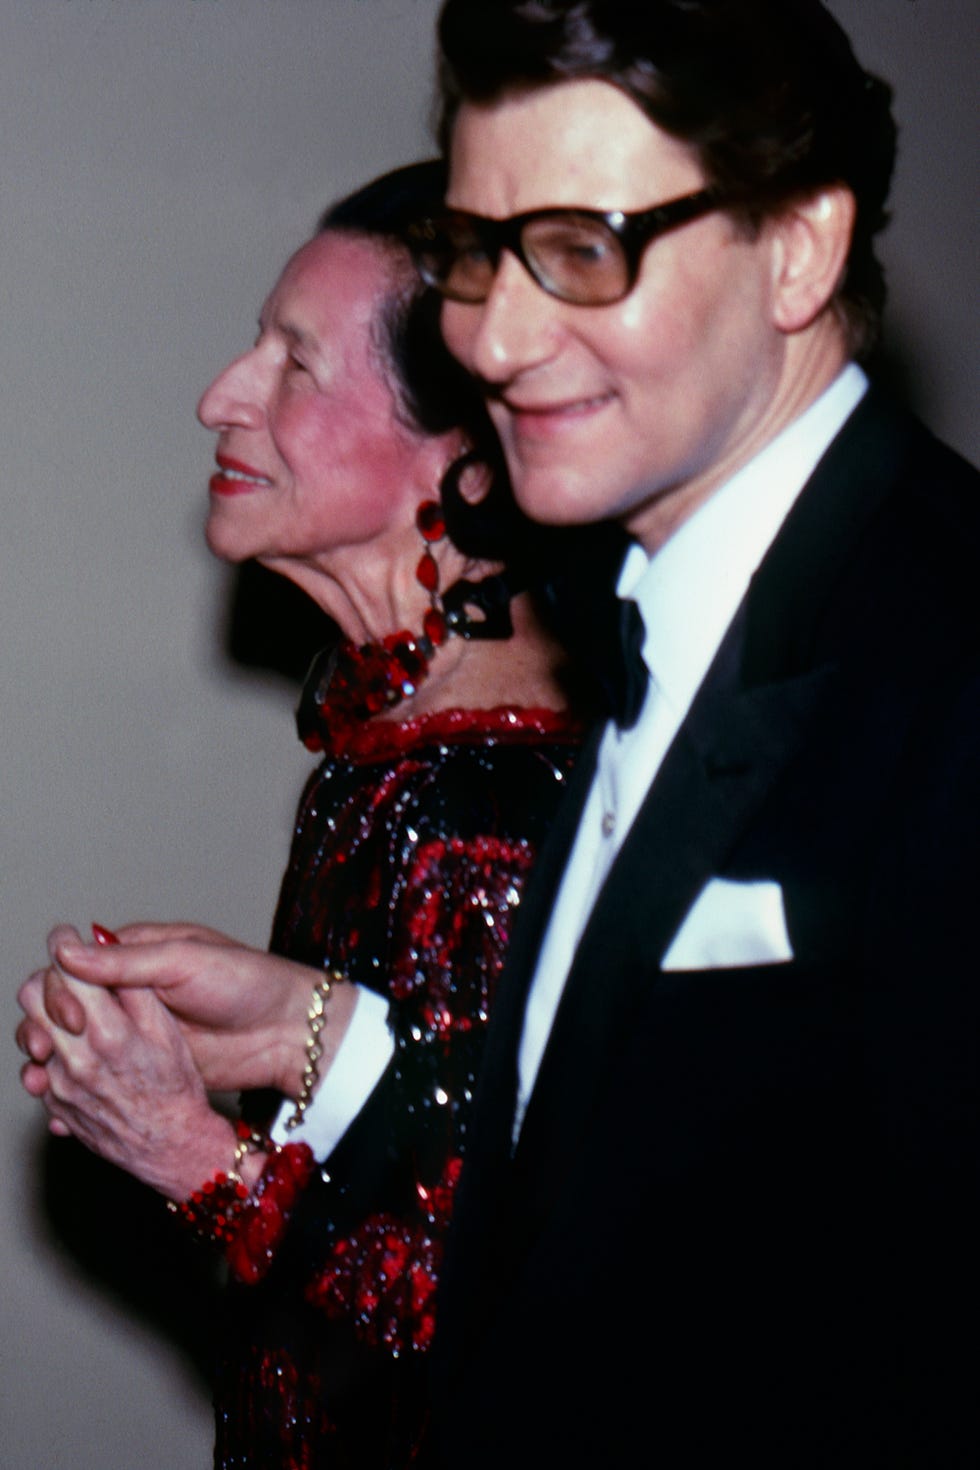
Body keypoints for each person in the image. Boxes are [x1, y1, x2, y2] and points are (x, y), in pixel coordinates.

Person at [393, 2, 976, 1465]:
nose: (495, 337)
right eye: (473, 247)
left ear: (799, 249)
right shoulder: (635, 595)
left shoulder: (953, 650)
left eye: (584, 249)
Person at [16, 161, 584, 1468]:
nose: (222, 396)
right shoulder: (390, 748)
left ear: (471, 464)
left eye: (293, 364)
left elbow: (493, 1332)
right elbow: (424, 1126)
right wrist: (287, 1031)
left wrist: (196, 1156)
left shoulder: (490, 791)